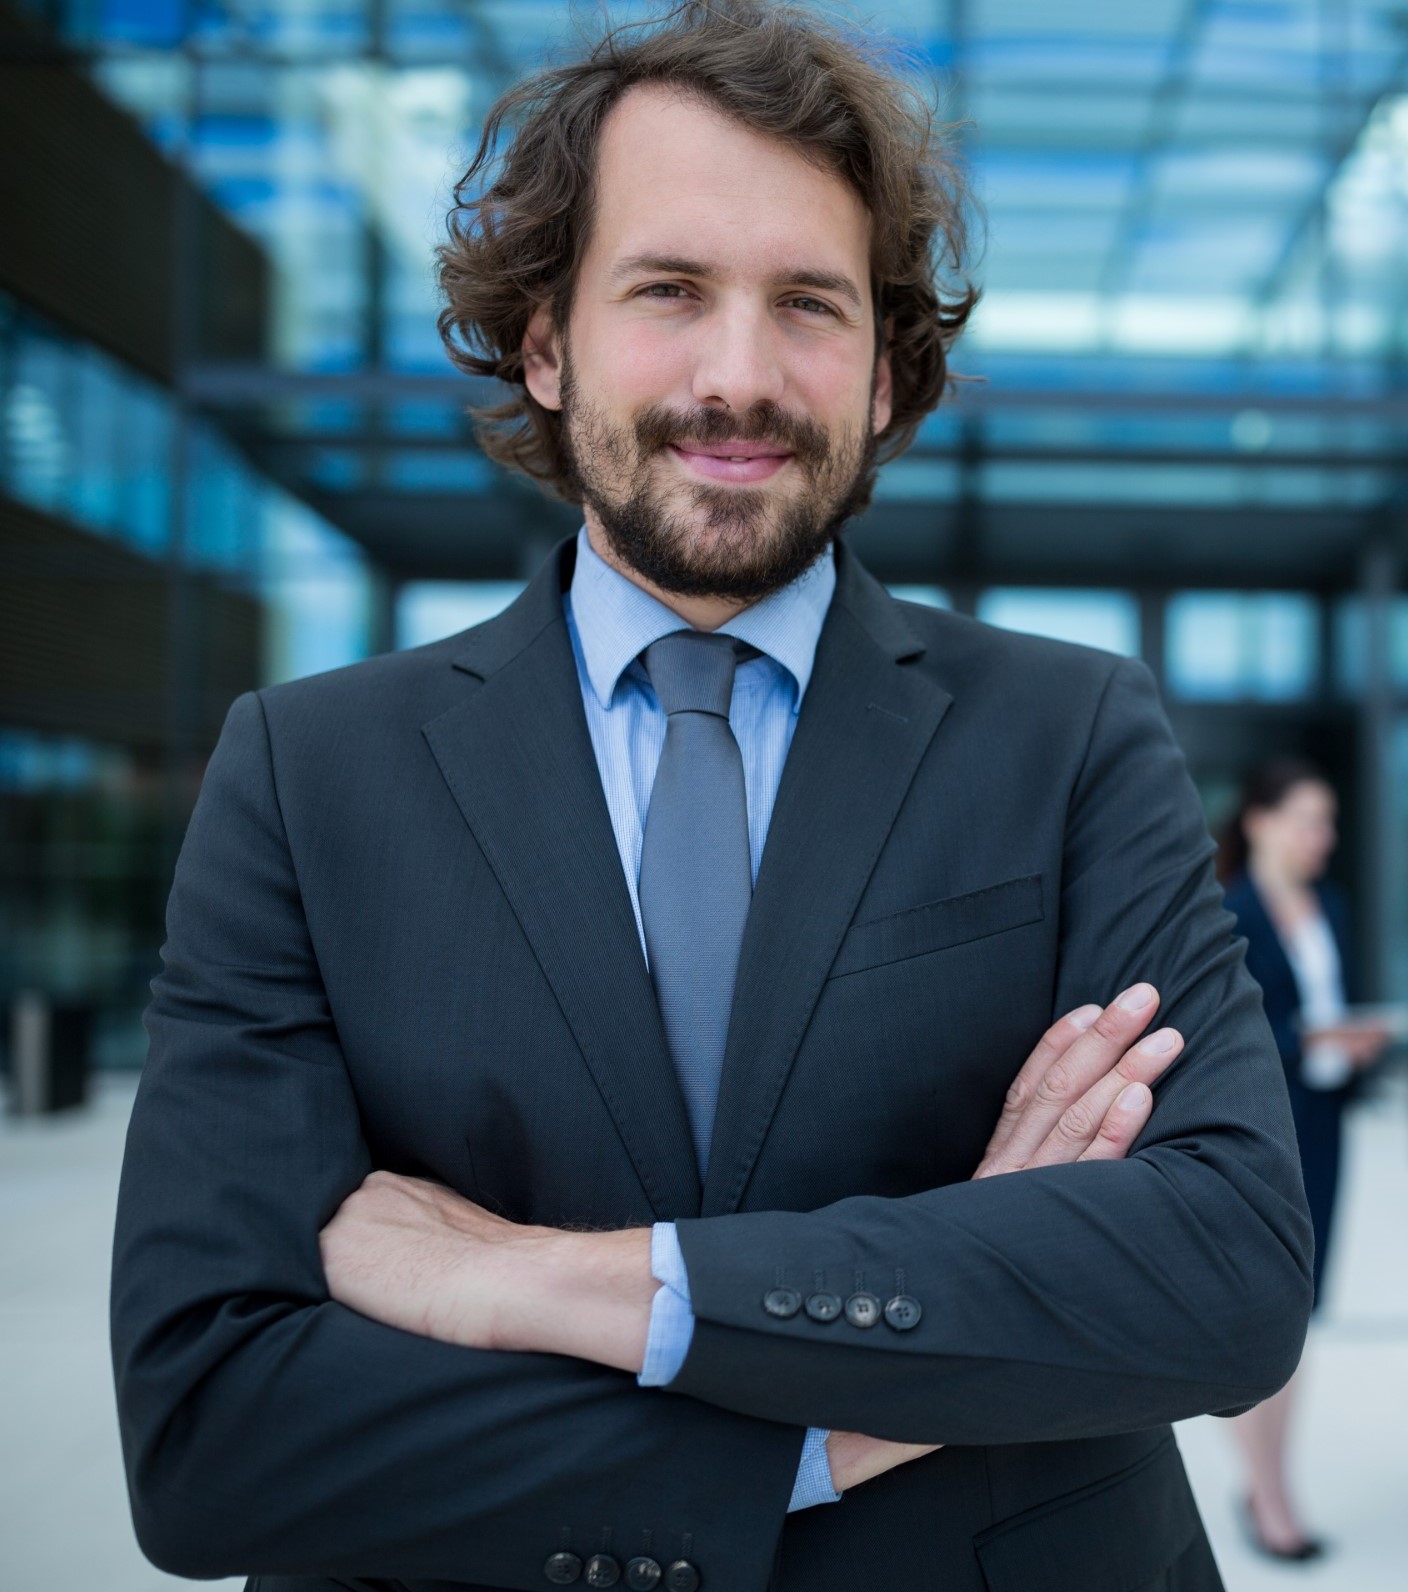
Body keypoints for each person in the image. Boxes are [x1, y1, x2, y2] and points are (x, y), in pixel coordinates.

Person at [110, 6, 1313, 1590]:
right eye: (668, 291)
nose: (738, 378)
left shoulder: (1073, 733)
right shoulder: (307, 772)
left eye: (809, 305)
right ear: (546, 342)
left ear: (888, 374)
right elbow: (211, 1431)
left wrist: (536, 1284)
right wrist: (861, 1402)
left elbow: (1221, 1273)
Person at [1219, 758, 1390, 1562]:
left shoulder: (1331, 906)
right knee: (1269, 1314)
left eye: (1328, 822)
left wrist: (1351, 1045)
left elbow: (1327, 1008)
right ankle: (1270, 1495)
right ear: (1259, 820)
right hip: (1261, 1139)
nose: (1323, 838)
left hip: (1322, 1128)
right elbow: (1228, 1036)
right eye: (1308, 820)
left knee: (1306, 1313)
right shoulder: (1228, 914)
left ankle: (1269, 1482)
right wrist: (1309, 1040)